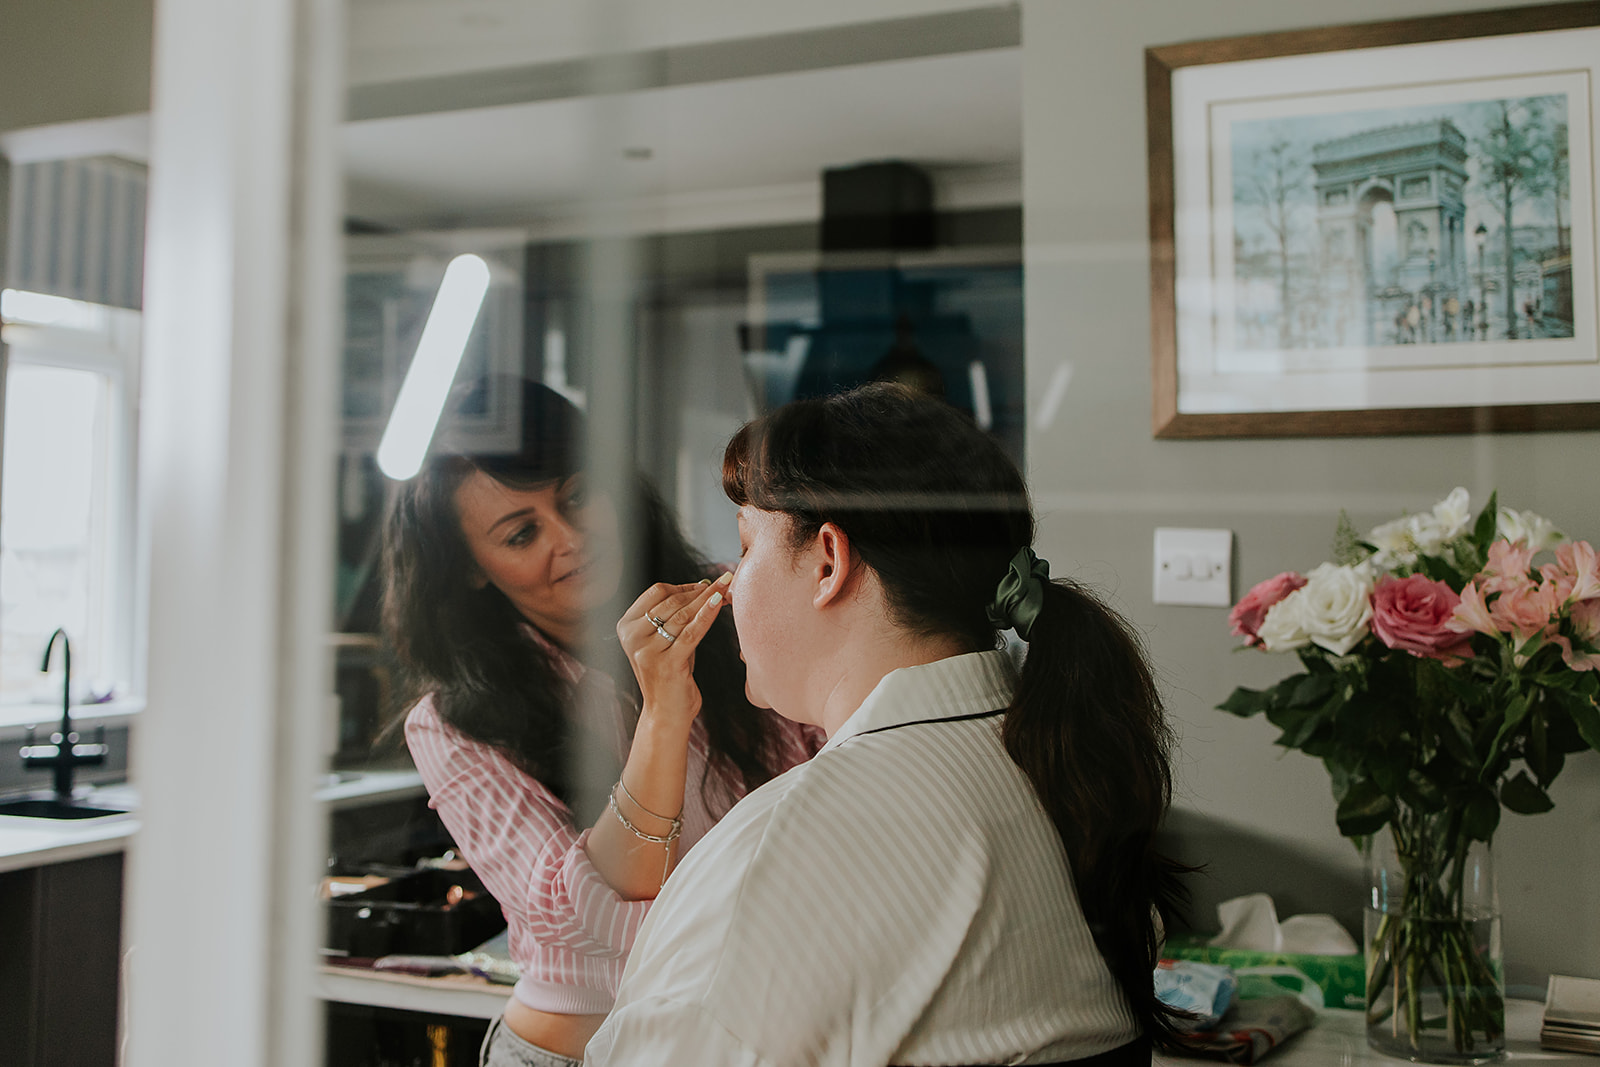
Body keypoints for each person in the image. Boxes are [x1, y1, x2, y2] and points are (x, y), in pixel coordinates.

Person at [587, 383, 1188, 1067]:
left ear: (828, 563)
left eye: (746, 545)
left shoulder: (781, 849)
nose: (728, 582)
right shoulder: (1064, 765)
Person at [382, 379, 817, 1066]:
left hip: (752, 1034)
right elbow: (587, 920)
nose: (572, 538)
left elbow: (837, 776)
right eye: (521, 533)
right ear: (470, 570)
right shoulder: (450, 724)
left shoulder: (725, 602)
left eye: (578, 494)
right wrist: (664, 710)